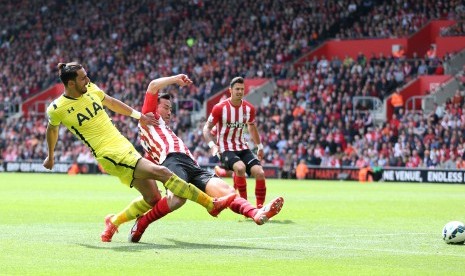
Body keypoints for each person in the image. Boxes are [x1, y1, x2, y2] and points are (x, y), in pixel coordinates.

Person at [43, 62, 232, 242]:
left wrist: (138, 116)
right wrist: (51, 156)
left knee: (153, 198)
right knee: (164, 173)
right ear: (71, 83)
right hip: (109, 155)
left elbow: (111, 102)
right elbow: (52, 130)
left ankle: (113, 222)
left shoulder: (90, 89)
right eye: (83, 78)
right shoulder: (57, 109)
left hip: (124, 147)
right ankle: (210, 204)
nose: (88, 80)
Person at [128, 74, 284, 242]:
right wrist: (176, 79)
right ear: (154, 108)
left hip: (192, 165)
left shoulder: (163, 128)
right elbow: (152, 85)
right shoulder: (148, 118)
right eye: (166, 107)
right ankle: (142, 223)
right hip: (171, 161)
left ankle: (256, 213)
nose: (169, 112)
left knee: (228, 192)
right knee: (177, 200)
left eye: (171, 109)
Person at [203, 76, 267, 208]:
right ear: (230, 90)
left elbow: (252, 127)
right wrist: (213, 146)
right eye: (237, 89)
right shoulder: (220, 108)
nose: (240, 91)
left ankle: (260, 208)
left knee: (260, 173)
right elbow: (207, 128)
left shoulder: (249, 109)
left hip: (242, 147)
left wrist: (259, 146)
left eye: (242, 89)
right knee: (240, 168)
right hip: (226, 148)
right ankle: (245, 207)